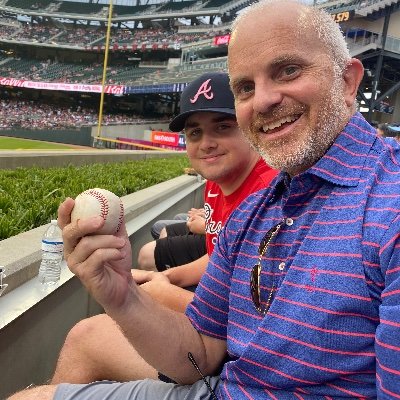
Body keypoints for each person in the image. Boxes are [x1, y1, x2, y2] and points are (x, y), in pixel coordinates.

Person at [8, 1, 400, 399]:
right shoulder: (256, 210)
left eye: (288, 70)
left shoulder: (390, 203)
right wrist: (122, 294)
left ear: (348, 82)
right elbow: (201, 353)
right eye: (245, 88)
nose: (263, 100)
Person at [47, 71, 277, 385]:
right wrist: (163, 279)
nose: (207, 143)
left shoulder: (267, 193)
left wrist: (159, 290)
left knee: (88, 335)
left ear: (249, 127)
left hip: (242, 362)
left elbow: (245, 315)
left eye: (222, 127)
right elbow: (219, 260)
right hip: (222, 335)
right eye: (195, 133)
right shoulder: (218, 180)